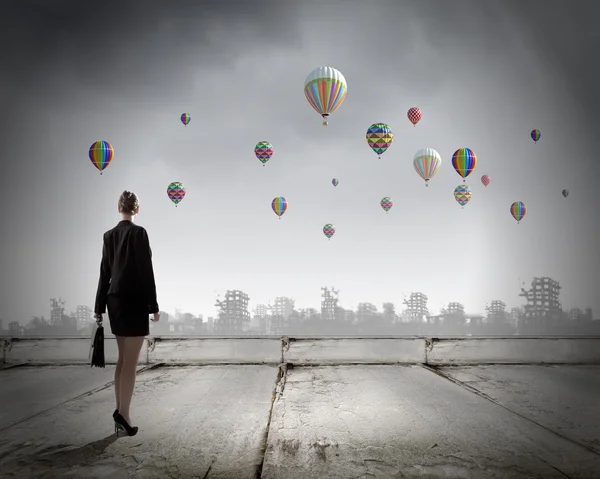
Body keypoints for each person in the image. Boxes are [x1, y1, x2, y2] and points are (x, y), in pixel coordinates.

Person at [94, 190, 160, 436]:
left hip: (114, 303)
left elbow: (104, 273)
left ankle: (120, 411)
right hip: (133, 302)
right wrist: (153, 306)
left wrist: (98, 307)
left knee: (122, 360)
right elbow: (146, 272)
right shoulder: (139, 233)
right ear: (137, 209)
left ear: (118, 207)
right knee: (130, 364)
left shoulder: (108, 235)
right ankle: (125, 415)